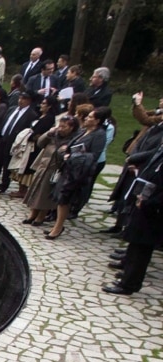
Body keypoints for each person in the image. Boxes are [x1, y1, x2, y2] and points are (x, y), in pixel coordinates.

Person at [104, 143, 163, 294]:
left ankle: (129, 284)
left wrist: (148, 202)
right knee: (135, 243)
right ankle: (128, 274)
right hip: (145, 201)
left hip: (153, 208)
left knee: (141, 249)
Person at [46, 106, 108, 238]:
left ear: (97, 121)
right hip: (68, 168)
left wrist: (74, 156)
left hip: (78, 172)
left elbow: (94, 155)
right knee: (60, 196)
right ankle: (57, 224)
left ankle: (58, 227)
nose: (86, 118)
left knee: (65, 198)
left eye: (90, 117)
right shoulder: (84, 131)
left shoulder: (99, 135)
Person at [22, 113, 78, 227]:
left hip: (55, 170)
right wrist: (48, 133)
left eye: (64, 127)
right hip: (43, 165)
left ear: (71, 128)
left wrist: (64, 151)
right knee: (36, 190)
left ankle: (41, 216)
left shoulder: (73, 140)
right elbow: (40, 143)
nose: (61, 129)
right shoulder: (54, 135)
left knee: (46, 194)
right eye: (60, 126)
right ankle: (33, 213)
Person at [0, 91, 39, 193]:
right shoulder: (12, 109)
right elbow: (4, 122)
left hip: (14, 142)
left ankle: (3, 184)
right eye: (20, 98)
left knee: (7, 164)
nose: (20, 101)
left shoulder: (31, 115)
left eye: (23, 99)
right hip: (2, 138)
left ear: (29, 101)